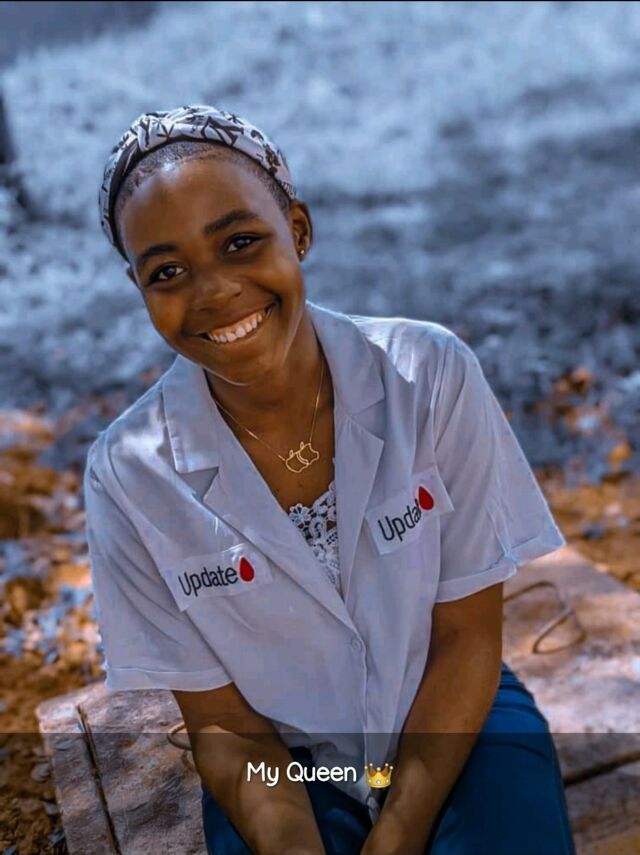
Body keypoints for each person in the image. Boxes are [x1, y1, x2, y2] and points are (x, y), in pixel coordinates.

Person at [85, 104, 577, 855]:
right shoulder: (129, 476)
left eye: (240, 242)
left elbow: (466, 635)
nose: (214, 292)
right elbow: (224, 725)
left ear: (299, 230)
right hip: (278, 757)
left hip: (453, 712)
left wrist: (400, 831)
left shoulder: (429, 376)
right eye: (168, 272)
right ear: (139, 286)